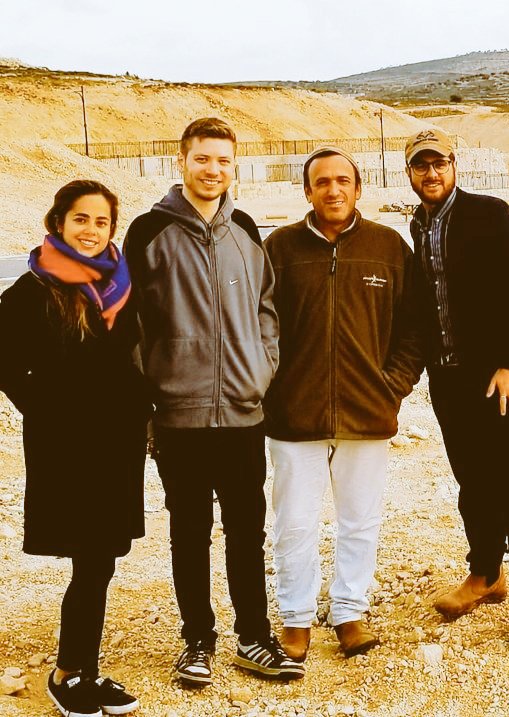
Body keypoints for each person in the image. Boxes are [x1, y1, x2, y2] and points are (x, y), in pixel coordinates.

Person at [123, 118, 302, 685]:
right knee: (189, 531)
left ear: (234, 165)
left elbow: (266, 308)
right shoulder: (149, 231)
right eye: (202, 158)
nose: (213, 170)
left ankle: (254, 636)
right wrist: (153, 387)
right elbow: (130, 322)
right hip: (179, 414)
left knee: (248, 531)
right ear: (181, 161)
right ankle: (197, 640)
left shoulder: (245, 228)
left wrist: (262, 367)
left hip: (244, 412)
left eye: (223, 160)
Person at [263, 146, 422, 663]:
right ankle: (295, 617)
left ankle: (350, 611)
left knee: (359, 520)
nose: (333, 190)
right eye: (322, 182)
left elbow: (413, 329)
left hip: (367, 413)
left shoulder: (388, 247)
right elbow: (258, 325)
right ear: (307, 191)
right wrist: (273, 387)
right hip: (294, 415)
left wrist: (391, 386)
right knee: (294, 522)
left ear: (359, 188)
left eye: (343, 181)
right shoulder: (279, 248)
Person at [0, 180, 150, 716]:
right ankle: (68, 673)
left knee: (102, 558)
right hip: (68, 448)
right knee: (90, 557)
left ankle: (82, 667)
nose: (91, 230)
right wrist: (48, 410)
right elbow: (7, 366)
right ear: (58, 222)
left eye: (101, 221)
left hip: (117, 445)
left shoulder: (119, 285)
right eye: (81, 219)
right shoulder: (32, 289)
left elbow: (131, 358)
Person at [404, 129, 509, 650]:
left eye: (439, 163)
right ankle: (486, 574)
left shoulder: (490, 215)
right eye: (421, 165)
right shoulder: (419, 225)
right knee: (472, 482)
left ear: (454, 165)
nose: (431, 173)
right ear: (409, 172)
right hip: (449, 379)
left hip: (496, 378)